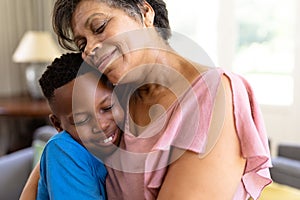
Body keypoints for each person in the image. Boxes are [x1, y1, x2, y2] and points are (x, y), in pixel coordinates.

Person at [21, 0, 272, 199]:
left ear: (145, 12)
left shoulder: (215, 95)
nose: (89, 50)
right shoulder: (112, 102)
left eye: (99, 27)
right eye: (82, 43)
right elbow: (57, 155)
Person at [36, 53, 124, 199]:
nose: (101, 125)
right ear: (58, 125)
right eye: (81, 120)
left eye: (108, 108)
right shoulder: (62, 150)